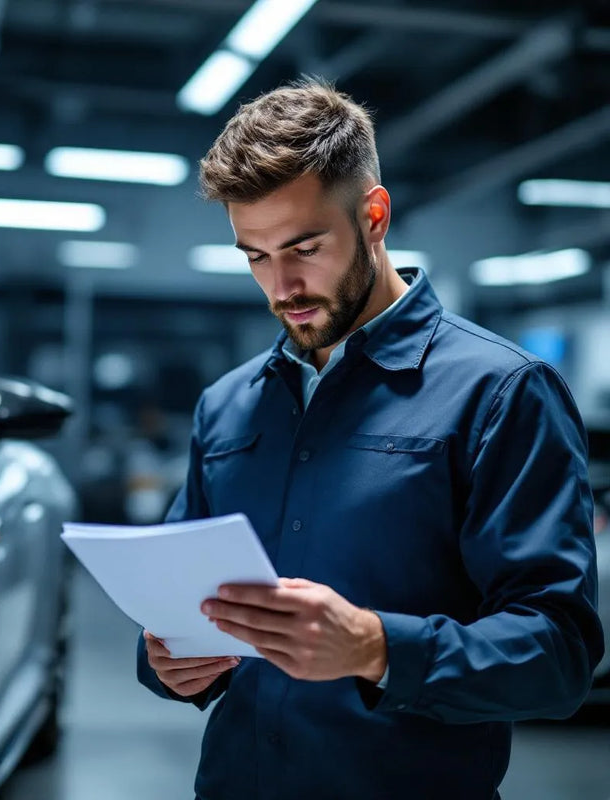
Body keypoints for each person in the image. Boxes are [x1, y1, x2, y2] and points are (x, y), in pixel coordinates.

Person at [136, 80, 604, 800]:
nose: (281, 286)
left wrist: (377, 648)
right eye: (255, 256)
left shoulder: (502, 393)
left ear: (374, 216)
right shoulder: (226, 407)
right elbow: (178, 610)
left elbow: (558, 654)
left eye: (304, 247)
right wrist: (165, 661)